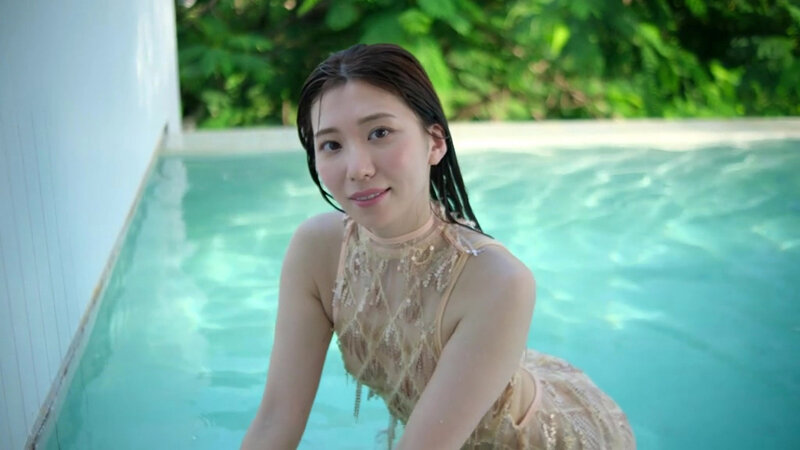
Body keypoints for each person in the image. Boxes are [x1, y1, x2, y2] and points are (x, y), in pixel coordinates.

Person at [241, 43, 635, 450]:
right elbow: (275, 422)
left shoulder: (498, 281)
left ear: (434, 142)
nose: (358, 169)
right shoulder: (318, 251)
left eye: (380, 133)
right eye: (332, 145)